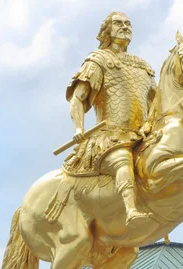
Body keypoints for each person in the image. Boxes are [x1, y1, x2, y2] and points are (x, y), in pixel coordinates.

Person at [63, 11, 156, 226]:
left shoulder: (143, 66)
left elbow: (156, 103)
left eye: (128, 23)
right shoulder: (98, 60)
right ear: (108, 30)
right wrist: (79, 129)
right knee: (123, 159)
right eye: (118, 23)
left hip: (142, 136)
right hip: (111, 137)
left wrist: (151, 124)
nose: (125, 27)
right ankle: (131, 211)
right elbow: (78, 98)